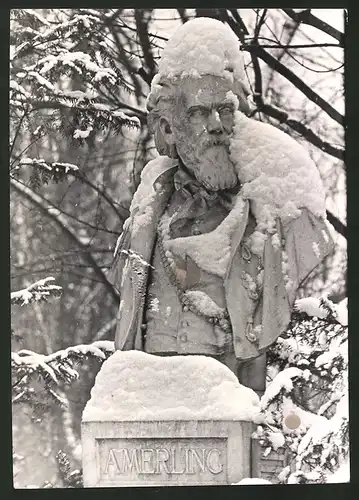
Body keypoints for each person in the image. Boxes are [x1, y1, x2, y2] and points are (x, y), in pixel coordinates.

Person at [109, 18, 334, 397]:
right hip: (153, 409)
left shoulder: (284, 213)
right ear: (168, 129)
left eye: (225, 110)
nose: (217, 125)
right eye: (199, 112)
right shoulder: (144, 218)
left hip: (233, 403)